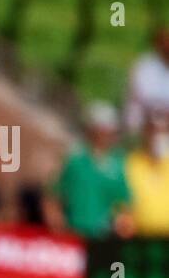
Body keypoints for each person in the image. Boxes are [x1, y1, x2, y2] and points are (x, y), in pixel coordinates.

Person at [50, 102, 133, 239]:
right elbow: (53, 195)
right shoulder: (75, 159)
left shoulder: (119, 164)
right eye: (103, 129)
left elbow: (125, 203)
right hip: (73, 234)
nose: (107, 135)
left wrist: (121, 224)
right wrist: (59, 228)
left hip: (104, 238)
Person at [125, 111, 169, 236]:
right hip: (139, 239)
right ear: (144, 133)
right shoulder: (131, 163)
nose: (158, 136)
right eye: (153, 130)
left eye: (163, 131)